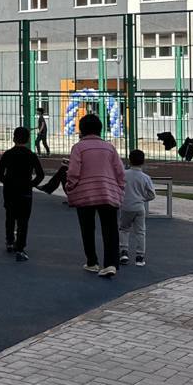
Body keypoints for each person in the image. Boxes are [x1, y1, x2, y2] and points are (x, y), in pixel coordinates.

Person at [65, 113, 125, 277]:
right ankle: (111, 263)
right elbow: (120, 171)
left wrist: (70, 186)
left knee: (87, 228)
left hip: (85, 194)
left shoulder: (78, 148)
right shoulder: (109, 147)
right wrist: (120, 188)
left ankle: (92, 261)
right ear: (100, 129)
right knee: (110, 229)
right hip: (107, 192)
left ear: (82, 130)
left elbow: (73, 171)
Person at [0, 127, 44, 262]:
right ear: (28, 139)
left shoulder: (8, 154)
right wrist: (31, 184)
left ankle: (9, 241)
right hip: (25, 191)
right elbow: (40, 174)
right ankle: (20, 248)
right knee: (23, 220)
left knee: (10, 216)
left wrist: (5, 181)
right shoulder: (31, 155)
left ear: (14, 138)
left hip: (10, 190)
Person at [119, 149, 156, 267]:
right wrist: (142, 198)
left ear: (129, 160)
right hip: (139, 206)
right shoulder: (145, 177)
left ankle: (124, 252)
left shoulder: (124, 174)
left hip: (126, 206)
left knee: (124, 229)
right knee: (140, 232)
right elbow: (152, 194)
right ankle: (140, 257)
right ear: (143, 161)